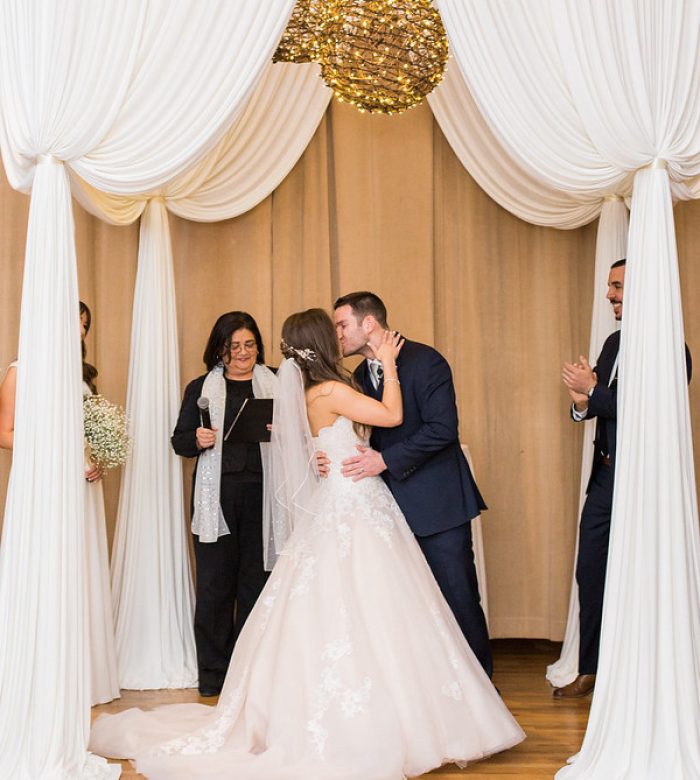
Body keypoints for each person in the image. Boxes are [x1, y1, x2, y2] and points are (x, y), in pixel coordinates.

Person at [90, 307, 524, 779]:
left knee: (352, 606)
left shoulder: (305, 394)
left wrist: (322, 456)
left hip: (344, 502)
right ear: (322, 340)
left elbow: (305, 445)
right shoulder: (334, 389)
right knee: (376, 605)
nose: (340, 335)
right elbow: (392, 415)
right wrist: (391, 367)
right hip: (355, 504)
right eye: (334, 329)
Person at [333, 291, 493, 677]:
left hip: (438, 507)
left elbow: (443, 430)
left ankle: (483, 693)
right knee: (411, 608)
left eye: (342, 325)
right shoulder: (357, 377)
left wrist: (386, 460)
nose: (337, 334)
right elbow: (362, 436)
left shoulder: (425, 361)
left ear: (368, 323)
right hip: (388, 510)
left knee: (457, 599)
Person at [558, 258, 692, 697]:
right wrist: (582, 400)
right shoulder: (614, 342)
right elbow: (601, 405)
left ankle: (650, 672)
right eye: (610, 286)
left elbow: (649, 408)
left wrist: (595, 391)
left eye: (617, 286)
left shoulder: (672, 346)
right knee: (591, 571)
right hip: (606, 479)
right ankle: (591, 669)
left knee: (647, 573)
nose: (610, 295)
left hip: (650, 484)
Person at [0, 301, 120, 706]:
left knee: (80, 571)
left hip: (82, 487)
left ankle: (83, 676)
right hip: (45, 484)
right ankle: (45, 677)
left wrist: (100, 458)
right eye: (74, 322)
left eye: (85, 325)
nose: (80, 331)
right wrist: (54, 447)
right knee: (47, 566)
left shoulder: (81, 377)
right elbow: (5, 433)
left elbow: (91, 432)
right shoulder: (22, 370)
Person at [171, 311, 277, 698]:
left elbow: (298, 432)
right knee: (215, 588)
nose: (242, 353)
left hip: (264, 496)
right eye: (234, 346)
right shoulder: (200, 387)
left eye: (249, 345)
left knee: (258, 584)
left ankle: (249, 673)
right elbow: (179, 441)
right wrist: (196, 439)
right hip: (216, 497)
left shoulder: (276, 381)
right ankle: (213, 676)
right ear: (219, 349)